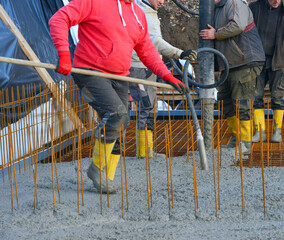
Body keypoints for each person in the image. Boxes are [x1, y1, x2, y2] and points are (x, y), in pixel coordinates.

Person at [49, 0, 188, 194]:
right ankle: (96, 169)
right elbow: (59, 19)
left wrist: (167, 75)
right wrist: (64, 53)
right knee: (116, 114)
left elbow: (147, 50)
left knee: (120, 125)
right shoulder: (93, 2)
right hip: (91, 73)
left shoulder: (137, 14)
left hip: (119, 75)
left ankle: (107, 176)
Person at [129, 0, 197, 158]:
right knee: (146, 108)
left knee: (147, 107)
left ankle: (144, 151)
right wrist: (179, 53)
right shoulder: (144, 13)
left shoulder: (146, 10)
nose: (163, 2)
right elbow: (154, 41)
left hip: (144, 65)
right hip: (139, 66)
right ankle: (144, 153)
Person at [200, 0, 265, 154]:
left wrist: (215, 34)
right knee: (227, 101)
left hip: (245, 60)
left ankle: (245, 143)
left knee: (242, 103)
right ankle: (236, 139)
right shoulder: (218, 8)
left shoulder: (234, 3)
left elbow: (238, 25)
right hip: (231, 63)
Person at [249, 0, 284, 143]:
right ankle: (260, 131)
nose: (275, 1)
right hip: (258, 60)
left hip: (280, 62)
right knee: (256, 97)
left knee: (277, 97)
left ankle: (276, 132)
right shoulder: (255, 8)